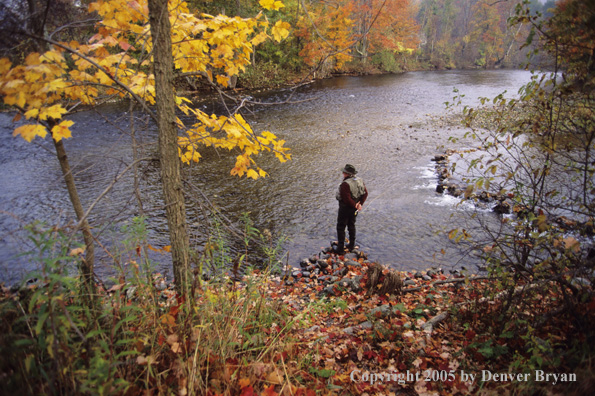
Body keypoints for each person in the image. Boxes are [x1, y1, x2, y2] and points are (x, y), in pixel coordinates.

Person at [334, 164, 368, 254]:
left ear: (347, 174)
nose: (342, 173)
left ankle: (340, 249)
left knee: (341, 227)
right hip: (354, 209)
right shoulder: (360, 180)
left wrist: (355, 205)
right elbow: (365, 193)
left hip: (345, 209)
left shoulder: (345, 184)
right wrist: (359, 204)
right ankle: (351, 245)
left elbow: (346, 199)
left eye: (344, 172)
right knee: (351, 225)